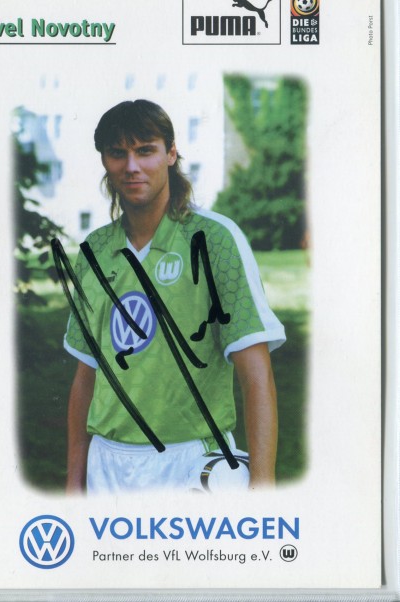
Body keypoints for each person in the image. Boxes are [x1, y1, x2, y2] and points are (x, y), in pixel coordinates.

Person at [62, 99, 285, 494]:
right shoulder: (94, 251)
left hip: (191, 463)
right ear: (105, 161)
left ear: (170, 153)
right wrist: (73, 483)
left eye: (145, 150)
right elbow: (85, 377)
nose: (132, 166)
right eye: (118, 153)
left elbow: (256, 373)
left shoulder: (215, 239)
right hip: (106, 467)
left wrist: (263, 489)